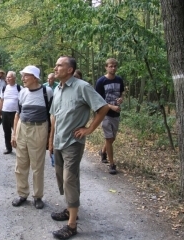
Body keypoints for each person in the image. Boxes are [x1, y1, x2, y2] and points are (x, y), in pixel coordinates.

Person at [48, 56, 109, 239]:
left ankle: (72, 225)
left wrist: (89, 128)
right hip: (59, 141)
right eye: (56, 64)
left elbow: (103, 107)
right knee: (61, 177)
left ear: (70, 70)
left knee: (69, 180)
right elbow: (54, 117)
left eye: (60, 65)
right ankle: (69, 209)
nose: (56, 67)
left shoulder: (82, 87)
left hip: (73, 143)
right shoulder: (57, 89)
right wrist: (51, 141)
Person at [11, 65, 53, 209]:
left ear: (35, 78)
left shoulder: (47, 92)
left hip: (39, 128)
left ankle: (37, 196)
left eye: (26, 76)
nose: (22, 78)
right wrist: (14, 134)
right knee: (20, 164)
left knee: (37, 165)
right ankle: (22, 194)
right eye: (22, 75)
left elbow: (52, 116)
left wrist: (50, 137)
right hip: (22, 128)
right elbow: (18, 114)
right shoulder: (22, 92)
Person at [95, 58, 124, 174]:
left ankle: (103, 152)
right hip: (104, 113)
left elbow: (122, 93)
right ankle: (112, 164)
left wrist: (121, 99)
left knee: (112, 139)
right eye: (111, 66)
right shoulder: (101, 81)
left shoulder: (119, 80)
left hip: (116, 114)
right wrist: (111, 107)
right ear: (106, 67)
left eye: (115, 66)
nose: (113, 68)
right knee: (108, 138)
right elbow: (97, 100)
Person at [0, 71, 22, 154]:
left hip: (16, 113)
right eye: (7, 77)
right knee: (6, 131)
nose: (7, 78)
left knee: (17, 131)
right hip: (5, 112)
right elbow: (1, 100)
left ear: (14, 78)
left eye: (9, 77)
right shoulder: (4, 88)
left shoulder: (19, 88)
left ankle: (19, 148)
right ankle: (8, 148)